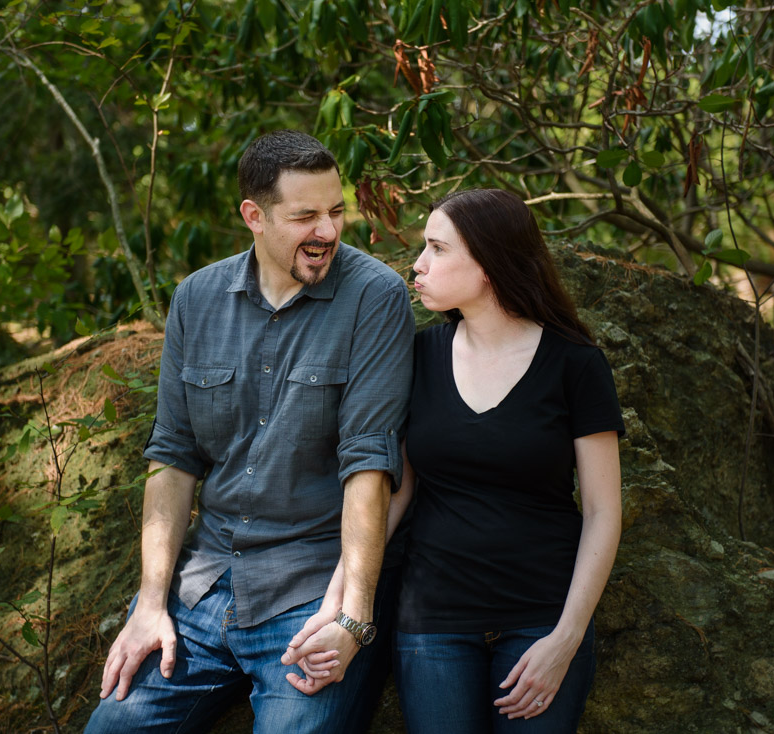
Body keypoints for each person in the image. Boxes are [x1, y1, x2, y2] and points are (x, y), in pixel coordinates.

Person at [85, 130, 415, 733]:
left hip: (312, 594)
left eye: (337, 211)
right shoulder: (196, 298)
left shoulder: (375, 297)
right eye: (306, 216)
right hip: (202, 587)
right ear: (254, 217)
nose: (328, 231)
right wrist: (150, 603)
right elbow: (172, 458)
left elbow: (370, 463)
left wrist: (353, 617)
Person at [395, 188, 624, 733]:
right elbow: (396, 491)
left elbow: (602, 511)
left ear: (489, 263)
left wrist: (566, 639)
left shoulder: (576, 364)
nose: (418, 264)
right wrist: (340, 598)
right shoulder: (418, 356)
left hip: (542, 621)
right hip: (433, 624)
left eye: (437, 249)